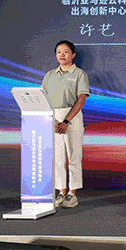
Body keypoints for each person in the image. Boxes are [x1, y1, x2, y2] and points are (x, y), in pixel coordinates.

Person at [41, 40, 90, 209]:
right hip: (54, 117)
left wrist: (66, 121)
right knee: (58, 157)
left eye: (66, 51)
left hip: (72, 115)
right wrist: (54, 120)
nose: (62, 55)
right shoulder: (49, 75)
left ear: (73, 55)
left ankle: (72, 193)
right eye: (59, 52)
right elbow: (43, 98)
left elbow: (81, 99)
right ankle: (61, 192)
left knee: (74, 156)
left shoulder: (79, 74)